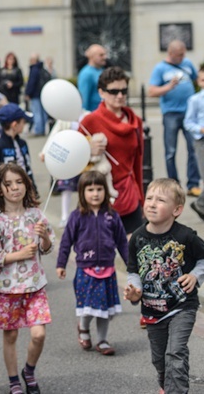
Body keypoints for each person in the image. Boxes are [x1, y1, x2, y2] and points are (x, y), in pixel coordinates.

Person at [123, 178, 204, 394]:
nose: (151, 203)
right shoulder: (137, 238)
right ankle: (166, 384)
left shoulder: (186, 236)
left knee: (175, 353)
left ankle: (176, 390)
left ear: (177, 210)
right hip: (152, 309)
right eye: (149, 198)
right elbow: (133, 271)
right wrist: (134, 290)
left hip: (182, 306)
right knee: (159, 359)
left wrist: (195, 276)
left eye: (160, 200)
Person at [0, 163, 54, 394]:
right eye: (8, 184)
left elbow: (46, 248)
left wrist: (44, 238)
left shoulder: (36, 215)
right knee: (11, 335)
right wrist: (18, 255)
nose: (15, 188)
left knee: (39, 334)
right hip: (7, 288)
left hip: (34, 284)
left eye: (19, 182)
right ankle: (14, 379)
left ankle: (29, 371)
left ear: (26, 184)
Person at [56, 171, 128, 357]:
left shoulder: (112, 216)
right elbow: (66, 241)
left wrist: (131, 265)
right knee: (88, 307)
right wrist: (61, 264)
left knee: (104, 310)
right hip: (86, 271)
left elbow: (121, 242)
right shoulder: (76, 216)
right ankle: (83, 327)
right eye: (90, 189)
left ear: (105, 191)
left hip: (107, 269)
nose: (95, 194)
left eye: (99, 189)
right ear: (82, 192)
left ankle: (103, 340)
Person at [81, 67, 144, 236]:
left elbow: (138, 164)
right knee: (102, 256)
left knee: (136, 253)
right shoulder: (90, 121)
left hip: (129, 195)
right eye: (114, 91)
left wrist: (142, 200)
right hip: (99, 198)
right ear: (101, 92)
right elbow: (72, 162)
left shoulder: (135, 121)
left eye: (124, 91)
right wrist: (87, 150)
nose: (120, 96)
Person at [149, 40, 200, 197]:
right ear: (171, 54)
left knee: (193, 148)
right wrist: (169, 87)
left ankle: (193, 184)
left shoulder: (187, 63)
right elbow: (152, 91)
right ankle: (174, 184)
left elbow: (196, 79)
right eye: (180, 54)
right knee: (171, 151)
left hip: (189, 113)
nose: (183, 57)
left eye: (184, 54)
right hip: (171, 113)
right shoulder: (160, 69)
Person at [0, 103, 36, 193]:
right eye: (23, 122)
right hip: (7, 198)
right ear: (14, 125)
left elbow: (28, 170)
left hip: (26, 194)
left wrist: (34, 192)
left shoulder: (22, 144)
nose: (24, 124)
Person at [185, 65, 204, 220]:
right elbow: (188, 122)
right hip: (201, 141)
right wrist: (200, 129)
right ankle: (201, 204)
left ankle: (200, 204)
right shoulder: (195, 100)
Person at [23, 54, 51, 136]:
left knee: (37, 112)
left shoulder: (34, 69)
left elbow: (31, 83)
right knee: (43, 113)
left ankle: (38, 130)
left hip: (35, 94)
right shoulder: (42, 69)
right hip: (42, 94)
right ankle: (42, 129)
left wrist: (28, 93)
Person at [77, 44, 107, 112]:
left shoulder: (101, 70)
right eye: (101, 55)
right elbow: (84, 98)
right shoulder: (86, 73)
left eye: (105, 54)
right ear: (92, 56)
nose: (105, 57)